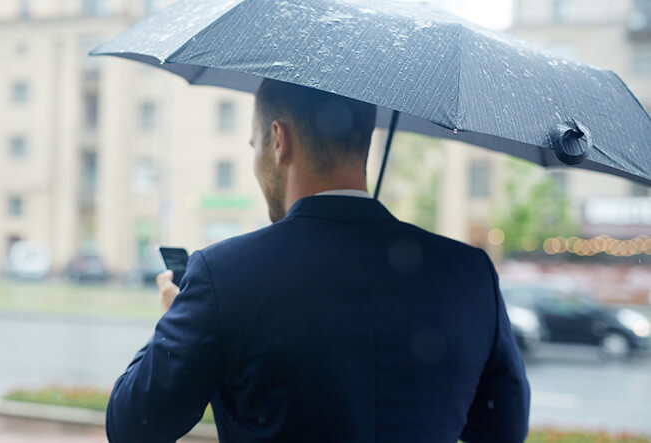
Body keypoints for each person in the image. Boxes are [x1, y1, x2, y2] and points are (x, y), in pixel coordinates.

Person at [106, 79, 530, 443]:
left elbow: (134, 427)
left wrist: (170, 324)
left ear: (278, 140)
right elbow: (504, 428)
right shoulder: (469, 273)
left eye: (255, 146)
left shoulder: (225, 275)